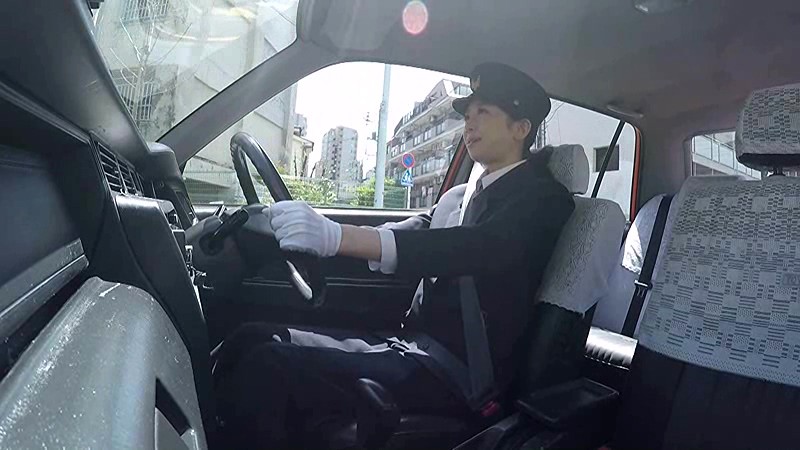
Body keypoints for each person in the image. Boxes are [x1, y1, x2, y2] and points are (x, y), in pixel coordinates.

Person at [214, 62, 575, 449]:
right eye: (467, 114)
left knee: (268, 366)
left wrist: (336, 237)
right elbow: (413, 231)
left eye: (483, 112)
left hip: (458, 374)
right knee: (251, 337)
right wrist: (312, 230)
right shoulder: (462, 195)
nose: (469, 123)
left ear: (521, 128)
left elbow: (475, 247)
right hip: (410, 345)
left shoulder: (544, 199)